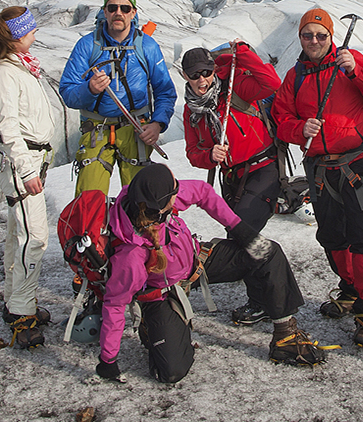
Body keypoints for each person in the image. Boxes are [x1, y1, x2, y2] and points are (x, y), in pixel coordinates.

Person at [93, 163, 328, 384]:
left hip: (197, 261)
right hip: (162, 295)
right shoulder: (131, 257)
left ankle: (285, 335)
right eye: (175, 190)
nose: (179, 191)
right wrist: (108, 360)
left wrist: (238, 228)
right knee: (171, 371)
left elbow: (203, 192)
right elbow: (115, 304)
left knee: (266, 251)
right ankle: (151, 324)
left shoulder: (151, 200)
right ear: (162, 204)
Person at [271, 7, 363, 347]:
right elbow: (281, 118)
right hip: (321, 167)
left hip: (358, 162)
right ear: (300, 38)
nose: (314, 41)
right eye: (308, 35)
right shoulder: (295, 76)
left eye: (320, 35)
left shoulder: (350, 61)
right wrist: (300, 128)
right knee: (331, 235)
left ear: (331, 37)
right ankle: (351, 289)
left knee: (362, 234)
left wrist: (357, 73)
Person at [181, 41, 284, 325]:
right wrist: (208, 155)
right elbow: (192, 152)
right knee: (239, 236)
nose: (202, 79)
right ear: (185, 77)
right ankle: (262, 295)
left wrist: (242, 54)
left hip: (263, 168)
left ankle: (263, 301)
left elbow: (271, 82)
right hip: (231, 178)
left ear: (215, 70)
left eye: (207, 71)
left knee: (243, 231)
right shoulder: (192, 111)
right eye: (195, 74)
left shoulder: (236, 87)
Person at [0, 6, 57, 349]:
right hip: (20, 163)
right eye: (31, 29)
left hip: (29, 159)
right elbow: (8, 126)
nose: (35, 33)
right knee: (33, 237)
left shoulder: (18, 68)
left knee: (18, 233)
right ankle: (22, 313)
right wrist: (26, 170)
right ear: (17, 35)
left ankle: (15, 303)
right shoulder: (4, 75)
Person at [59, 0, 177, 196]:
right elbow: (68, 91)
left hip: (136, 130)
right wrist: (89, 89)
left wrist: (158, 124)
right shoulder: (87, 46)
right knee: (89, 201)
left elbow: (165, 91)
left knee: (141, 202)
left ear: (133, 12)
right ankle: (89, 230)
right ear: (104, 11)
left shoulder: (147, 46)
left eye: (124, 8)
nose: (118, 13)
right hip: (96, 128)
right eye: (112, 8)